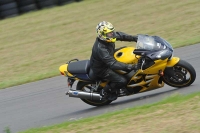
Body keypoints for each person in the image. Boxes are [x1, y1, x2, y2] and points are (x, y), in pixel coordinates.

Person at [90, 21, 140, 100]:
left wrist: (135, 38)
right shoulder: (101, 48)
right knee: (122, 81)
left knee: (126, 50)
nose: (112, 34)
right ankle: (105, 92)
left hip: (108, 58)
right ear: (102, 35)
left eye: (112, 32)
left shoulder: (108, 37)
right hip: (102, 69)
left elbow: (121, 35)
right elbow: (112, 64)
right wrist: (131, 66)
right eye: (110, 33)